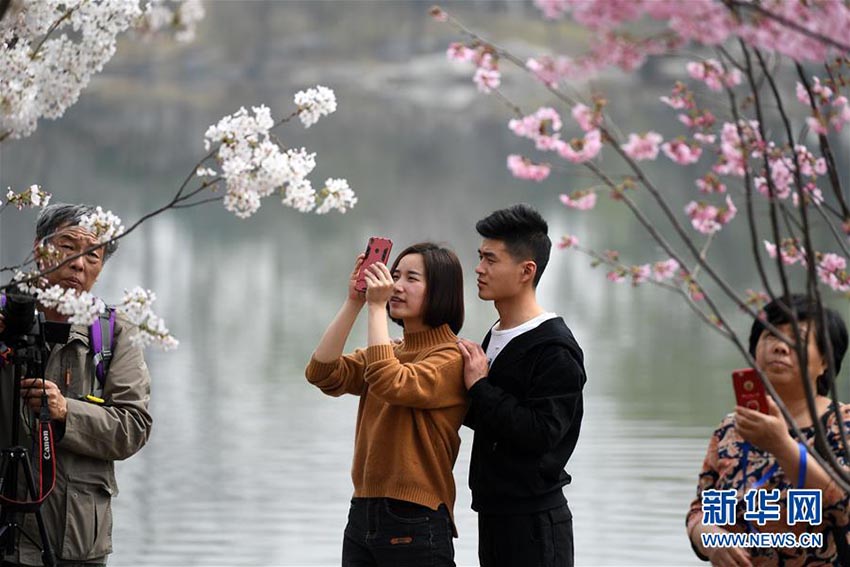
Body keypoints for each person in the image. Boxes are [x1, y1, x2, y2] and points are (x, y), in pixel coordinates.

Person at [0, 203, 153, 567]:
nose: (78, 263)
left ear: (100, 269)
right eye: (67, 247)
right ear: (40, 249)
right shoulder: (6, 317)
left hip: (76, 539)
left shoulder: (114, 333)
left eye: (93, 255)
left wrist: (68, 412)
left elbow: (133, 426)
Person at [304, 242, 467, 567]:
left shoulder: (451, 358)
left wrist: (377, 309)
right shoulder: (388, 350)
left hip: (416, 517)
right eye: (394, 275)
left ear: (441, 290)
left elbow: (392, 382)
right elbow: (321, 373)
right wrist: (355, 302)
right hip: (363, 511)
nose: (396, 286)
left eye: (412, 278)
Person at [457, 203, 586, 567]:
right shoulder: (496, 335)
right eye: (480, 257)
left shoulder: (554, 347)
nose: (479, 269)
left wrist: (480, 387)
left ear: (526, 270)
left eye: (491, 260)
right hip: (495, 514)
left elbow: (542, 433)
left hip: (535, 524)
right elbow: (490, 418)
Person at [687, 294, 850, 566]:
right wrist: (710, 538)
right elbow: (701, 508)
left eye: (796, 339)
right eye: (770, 336)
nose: (780, 347)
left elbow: (845, 504)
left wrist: (781, 446)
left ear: (825, 362)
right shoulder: (732, 428)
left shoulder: (841, 425)